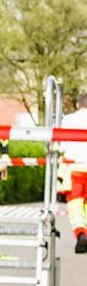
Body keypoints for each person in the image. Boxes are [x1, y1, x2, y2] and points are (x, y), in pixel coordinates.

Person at [60, 92, 87, 252]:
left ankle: (81, 231)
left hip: (74, 169)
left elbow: (61, 145)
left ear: (78, 104)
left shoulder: (68, 120)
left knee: (75, 203)